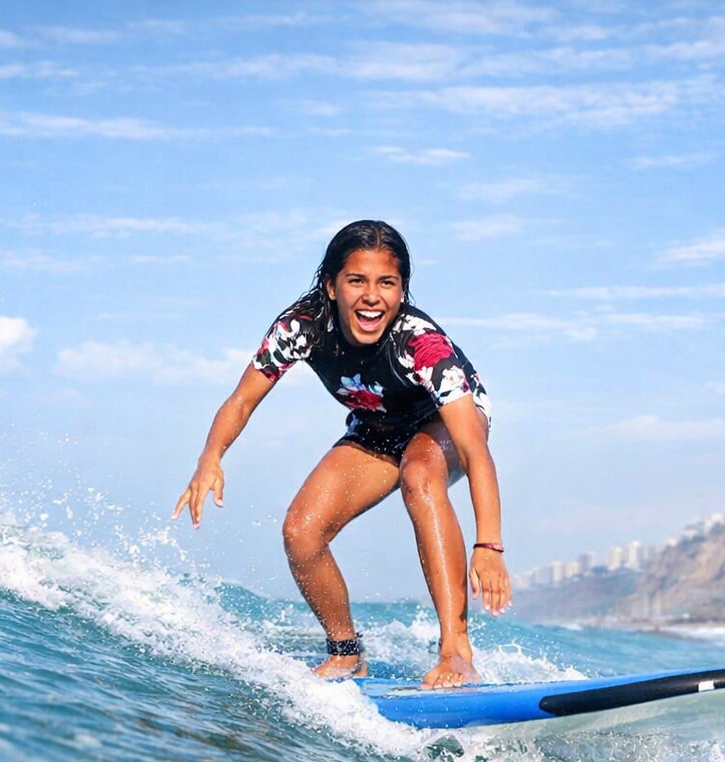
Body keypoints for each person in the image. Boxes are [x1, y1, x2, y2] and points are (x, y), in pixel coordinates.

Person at [173, 220, 511, 688]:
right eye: (357, 281)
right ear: (331, 286)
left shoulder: (421, 345)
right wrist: (210, 458)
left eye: (386, 283)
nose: (372, 296)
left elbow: (474, 449)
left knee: (419, 474)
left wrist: (488, 544)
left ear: (402, 290)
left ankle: (456, 651)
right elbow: (242, 399)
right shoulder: (303, 327)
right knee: (302, 531)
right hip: (375, 428)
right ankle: (346, 651)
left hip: (444, 426)